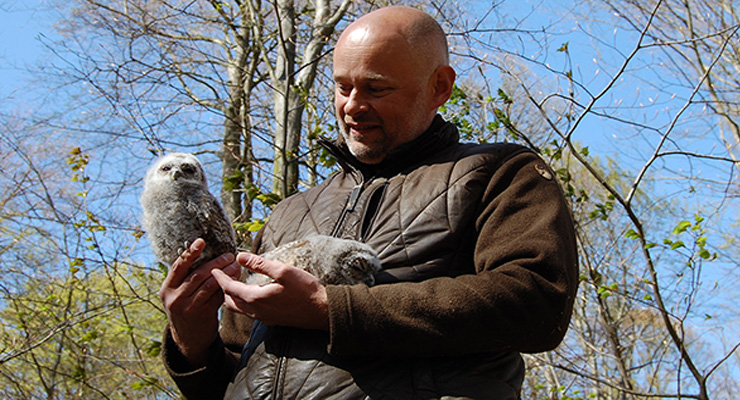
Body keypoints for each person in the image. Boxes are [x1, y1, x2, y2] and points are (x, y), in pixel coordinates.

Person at [159, 6, 578, 399]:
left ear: (440, 86)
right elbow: (235, 372)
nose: (352, 106)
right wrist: (191, 340)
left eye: (376, 88)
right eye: (342, 87)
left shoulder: (498, 172)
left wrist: (330, 309)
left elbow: (538, 303)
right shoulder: (289, 212)